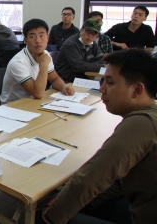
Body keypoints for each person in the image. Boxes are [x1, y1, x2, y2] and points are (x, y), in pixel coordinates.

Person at [43, 49, 157, 224]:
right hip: (142, 205)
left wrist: (50, 217)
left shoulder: (142, 124)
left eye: (110, 83)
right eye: (103, 81)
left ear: (137, 89)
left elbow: (90, 178)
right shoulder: (152, 113)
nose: (101, 89)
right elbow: (119, 179)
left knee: (41, 215)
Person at [0, 19, 74, 104]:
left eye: (41, 35)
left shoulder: (45, 54)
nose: (38, 40)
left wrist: (63, 87)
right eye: (32, 36)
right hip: (12, 107)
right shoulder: (18, 62)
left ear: (47, 37)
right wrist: (44, 65)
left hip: (33, 102)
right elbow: (37, 93)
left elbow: (54, 79)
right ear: (26, 40)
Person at [55, 19, 105, 83]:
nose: (90, 36)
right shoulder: (70, 44)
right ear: (81, 30)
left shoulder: (93, 43)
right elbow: (80, 66)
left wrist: (85, 66)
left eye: (94, 34)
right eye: (88, 32)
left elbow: (102, 60)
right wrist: (101, 66)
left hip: (83, 80)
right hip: (67, 81)